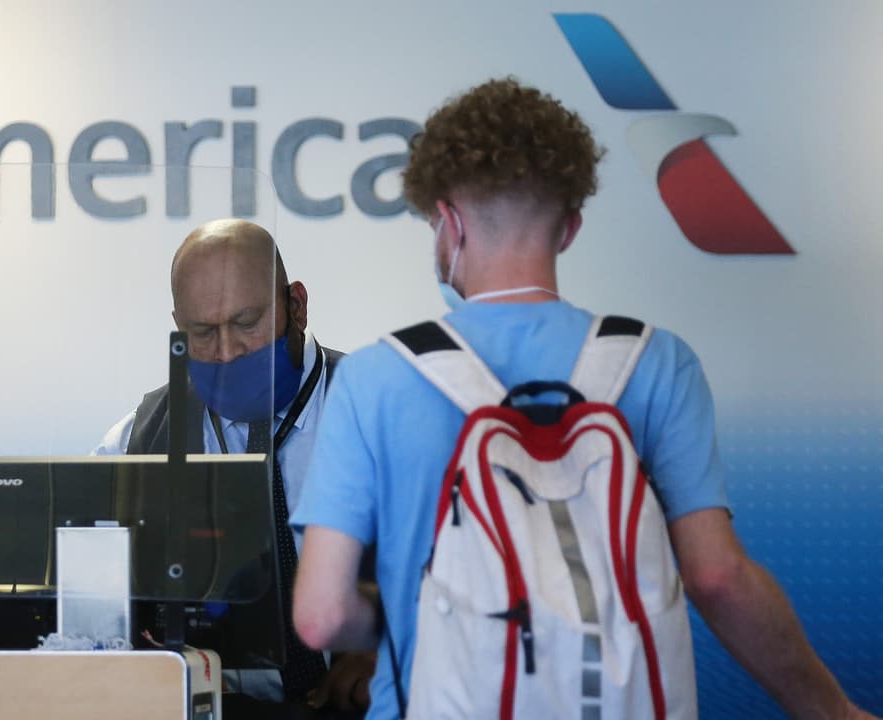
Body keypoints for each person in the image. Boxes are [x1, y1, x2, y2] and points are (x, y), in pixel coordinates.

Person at [290, 77, 876, 719]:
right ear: (569, 228)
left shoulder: (375, 378)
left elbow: (320, 617)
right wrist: (834, 711)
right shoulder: (657, 364)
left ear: (448, 221)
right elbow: (717, 578)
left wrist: (410, 611)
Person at [96, 218, 374, 715]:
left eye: (246, 323)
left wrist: (392, 642)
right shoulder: (140, 439)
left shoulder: (377, 412)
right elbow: (94, 600)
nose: (226, 353)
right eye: (203, 332)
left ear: (297, 306)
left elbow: (462, 572)